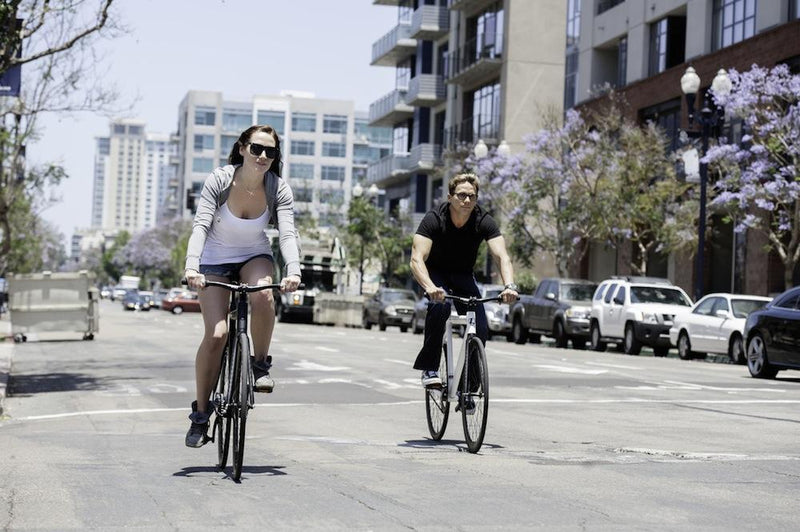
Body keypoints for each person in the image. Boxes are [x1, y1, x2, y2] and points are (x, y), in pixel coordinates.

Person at [183, 124, 301, 448]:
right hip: (214, 260)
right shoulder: (220, 180)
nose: (263, 156)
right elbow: (200, 225)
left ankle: (260, 364)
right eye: (256, 149)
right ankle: (201, 415)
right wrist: (192, 265)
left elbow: (288, 234)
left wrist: (294, 270)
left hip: (254, 255)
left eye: (270, 152)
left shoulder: (278, 188)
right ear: (241, 148)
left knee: (264, 295)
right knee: (217, 334)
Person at [410, 172, 518, 389]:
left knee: (480, 325)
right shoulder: (434, 219)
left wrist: (509, 286)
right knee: (439, 307)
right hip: (436, 273)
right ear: (450, 197)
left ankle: (468, 388)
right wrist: (430, 287)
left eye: (472, 196)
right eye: (461, 195)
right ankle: (429, 368)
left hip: (463, 275)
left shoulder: (483, 220)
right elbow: (416, 259)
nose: (467, 200)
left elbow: (501, 256)